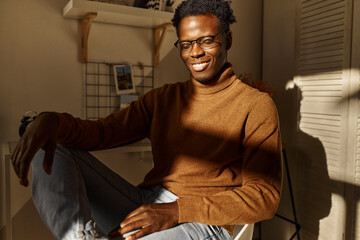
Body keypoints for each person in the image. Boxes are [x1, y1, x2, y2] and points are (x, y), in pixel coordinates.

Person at [11, 0, 283, 239]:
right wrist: (52, 121)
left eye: (207, 40)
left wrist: (177, 210)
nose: (195, 52)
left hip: (205, 223)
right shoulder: (163, 98)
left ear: (228, 39)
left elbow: (265, 197)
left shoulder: (256, 105)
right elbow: (103, 133)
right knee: (53, 144)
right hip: (147, 202)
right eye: (186, 44)